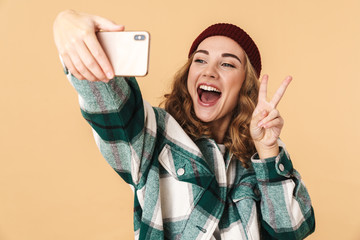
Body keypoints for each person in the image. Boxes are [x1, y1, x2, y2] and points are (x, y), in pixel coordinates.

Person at [53, 10, 315, 240]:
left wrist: (268, 151)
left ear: (245, 85)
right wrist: (66, 23)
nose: (209, 71)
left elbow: (292, 231)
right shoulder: (153, 138)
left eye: (226, 63)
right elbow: (110, 104)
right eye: (200, 60)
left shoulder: (258, 160)